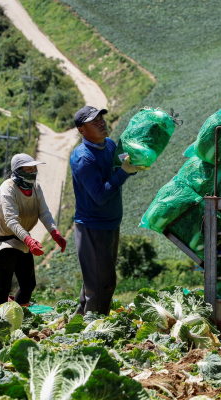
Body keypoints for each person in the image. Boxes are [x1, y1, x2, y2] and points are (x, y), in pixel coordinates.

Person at [70, 105, 147, 316]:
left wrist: (133, 166)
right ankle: (94, 332)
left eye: (101, 119)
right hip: (93, 227)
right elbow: (100, 196)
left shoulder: (110, 145)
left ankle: (79, 322)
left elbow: (120, 170)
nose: (101, 123)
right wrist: (123, 173)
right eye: (93, 122)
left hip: (110, 224)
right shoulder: (84, 158)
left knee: (94, 280)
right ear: (82, 130)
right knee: (103, 284)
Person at [0, 154, 67, 308]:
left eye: (34, 168)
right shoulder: (7, 190)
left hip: (21, 239)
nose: (33, 172)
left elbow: (44, 213)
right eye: (28, 169)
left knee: (28, 284)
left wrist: (54, 232)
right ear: (18, 171)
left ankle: (20, 313)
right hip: (3, 242)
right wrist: (29, 240)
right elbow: (11, 220)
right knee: (3, 287)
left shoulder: (35, 188)